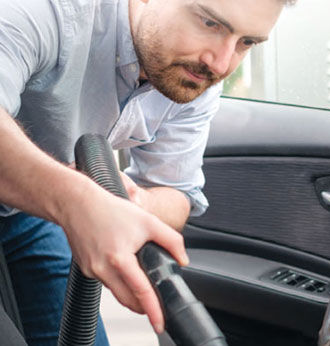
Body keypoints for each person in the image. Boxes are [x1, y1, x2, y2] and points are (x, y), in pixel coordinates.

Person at [0, 0, 291, 344]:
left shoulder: (193, 73)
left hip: (28, 212)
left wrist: (132, 203)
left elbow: (176, 194)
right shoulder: (46, 10)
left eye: (247, 43)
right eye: (210, 23)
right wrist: (77, 201)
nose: (222, 62)